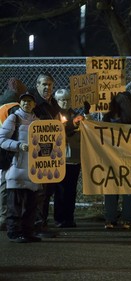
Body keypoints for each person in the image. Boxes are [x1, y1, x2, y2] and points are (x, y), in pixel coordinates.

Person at [0, 92, 41, 243]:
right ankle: (13, 232)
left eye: (30, 101)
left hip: (33, 171)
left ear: (34, 104)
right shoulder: (14, 118)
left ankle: (27, 232)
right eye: (24, 101)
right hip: (16, 168)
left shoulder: (38, 121)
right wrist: (18, 145)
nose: (26, 104)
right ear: (19, 103)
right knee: (15, 205)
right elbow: (2, 140)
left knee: (30, 205)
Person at [29, 73, 60, 238]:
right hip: (40, 154)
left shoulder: (53, 104)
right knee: (39, 191)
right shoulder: (34, 105)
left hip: (52, 153)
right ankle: (36, 225)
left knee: (47, 191)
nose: (47, 87)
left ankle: (42, 223)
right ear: (37, 85)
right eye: (44, 84)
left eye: (50, 84)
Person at [102, 92, 131, 230]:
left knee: (111, 188)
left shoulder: (107, 118)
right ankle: (127, 219)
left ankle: (110, 220)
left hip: (110, 158)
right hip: (128, 158)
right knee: (128, 187)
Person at [53, 89, 85, 228]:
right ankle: (60, 218)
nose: (65, 102)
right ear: (57, 101)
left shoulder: (75, 114)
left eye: (67, 99)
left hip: (74, 157)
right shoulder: (55, 115)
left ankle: (69, 217)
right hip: (61, 158)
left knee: (71, 189)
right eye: (62, 100)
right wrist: (72, 126)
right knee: (60, 190)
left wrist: (86, 113)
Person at [0, 78, 28, 231]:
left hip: (2, 146)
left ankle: (3, 216)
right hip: (9, 149)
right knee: (8, 183)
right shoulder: (14, 107)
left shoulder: (2, 102)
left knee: (3, 182)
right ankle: (6, 217)